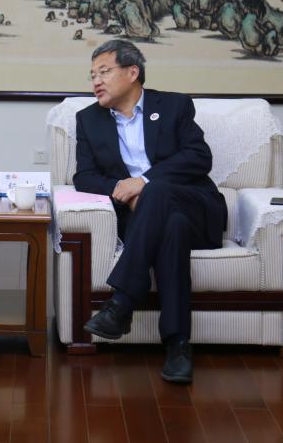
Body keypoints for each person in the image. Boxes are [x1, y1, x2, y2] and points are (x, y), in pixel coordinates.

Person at [74, 39, 226, 384]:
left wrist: (143, 183)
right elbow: (84, 176)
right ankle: (178, 346)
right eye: (92, 75)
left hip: (196, 209)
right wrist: (124, 189)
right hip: (146, 220)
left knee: (156, 192)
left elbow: (199, 157)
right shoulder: (88, 120)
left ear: (132, 72)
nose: (95, 81)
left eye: (104, 72)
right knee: (171, 228)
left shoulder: (174, 105)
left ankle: (121, 303)